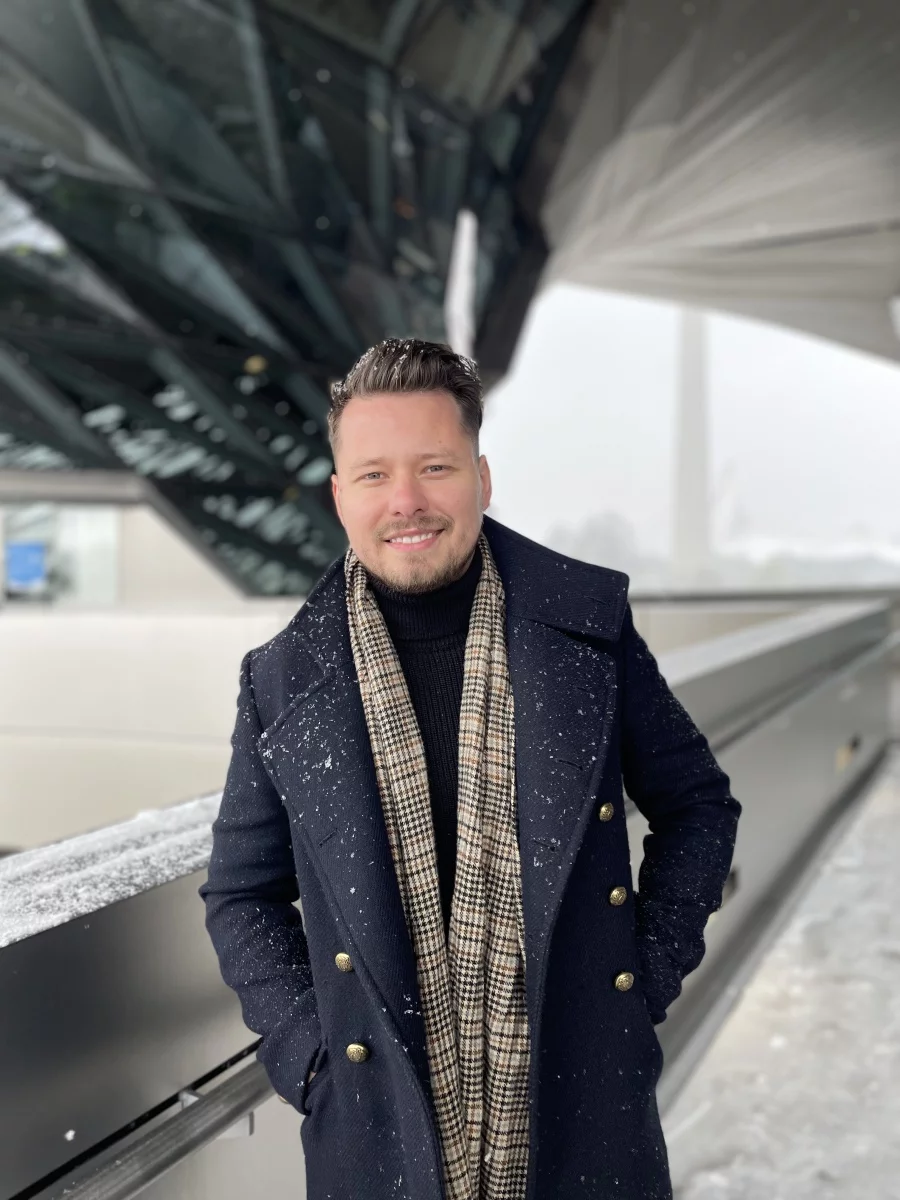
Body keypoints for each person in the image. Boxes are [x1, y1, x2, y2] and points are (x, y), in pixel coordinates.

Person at [200, 338, 741, 1200]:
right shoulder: (283, 679)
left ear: (481, 479)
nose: (406, 501)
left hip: (586, 1111)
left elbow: (698, 808)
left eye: (434, 468)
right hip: (374, 1133)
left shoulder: (587, 627)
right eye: (374, 475)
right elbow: (239, 892)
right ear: (340, 497)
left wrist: (635, 990)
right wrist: (310, 1057)